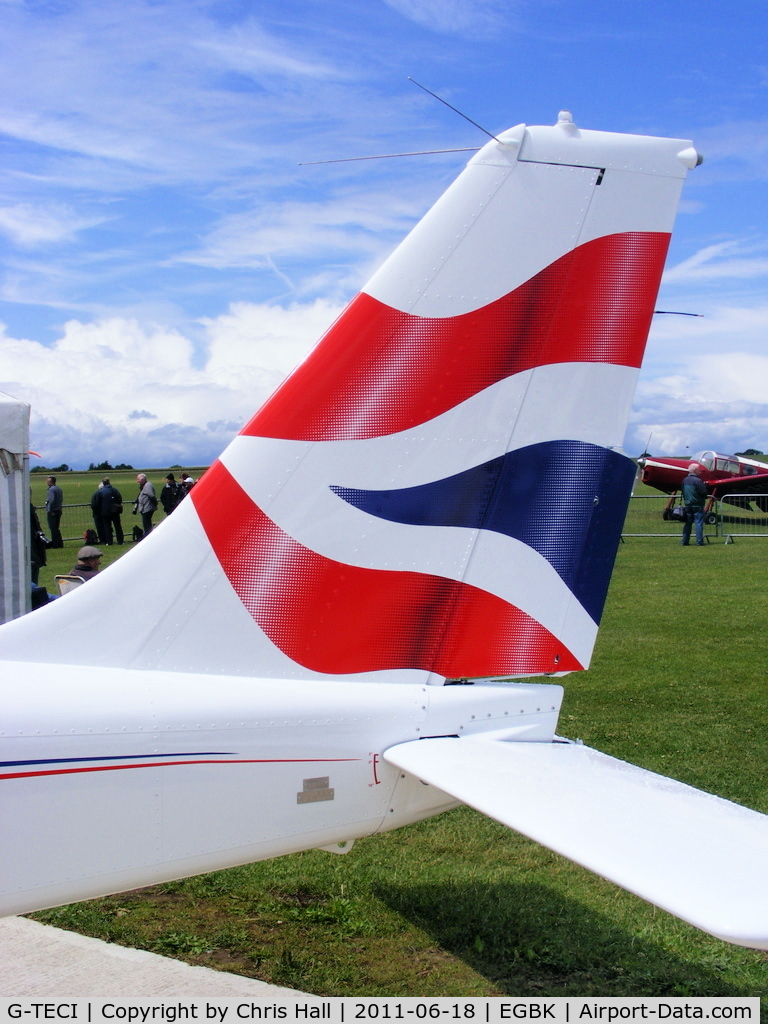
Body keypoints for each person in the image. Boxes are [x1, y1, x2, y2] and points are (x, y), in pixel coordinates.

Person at [92, 476, 124, 545]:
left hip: (105, 513)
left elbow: (97, 503)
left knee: (107, 527)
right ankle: (120, 541)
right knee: (118, 527)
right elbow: (119, 499)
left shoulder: (100, 492)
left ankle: (109, 541)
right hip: (115, 512)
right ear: (109, 482)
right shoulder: (114, 490)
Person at [681, 463, 707, 546]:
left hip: (688, 504)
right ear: (695, 470)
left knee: (688, 523)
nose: (700, 471)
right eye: (699, 469)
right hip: (698, 505)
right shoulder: (698, 481)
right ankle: (699, 541)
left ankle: (685, 541)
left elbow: (683, 491)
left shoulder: (685, 480)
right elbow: (703, 493)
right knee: (698, 523)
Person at [134, 473, 157, 538]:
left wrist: (154, 503)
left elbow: (151, 495)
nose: (137, 481)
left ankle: (148, 536)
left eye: (138, 479)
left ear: (142, 479)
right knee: (146, 523)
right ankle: (148, 536)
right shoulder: (145, 486)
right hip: (145, 508)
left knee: (146, 524)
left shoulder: (147, 485)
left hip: (147, 508)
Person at [45, 475, 64, 548]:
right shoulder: (58, 489)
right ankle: (59, 543)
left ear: (51, 482)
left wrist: (51, 510)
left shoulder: (51, 490)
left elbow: (51, 500)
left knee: (53, 528)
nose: (46, 482)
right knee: (56, 528)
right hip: (58, 510)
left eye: (48, 481)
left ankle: (56, 544)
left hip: (53, 511)